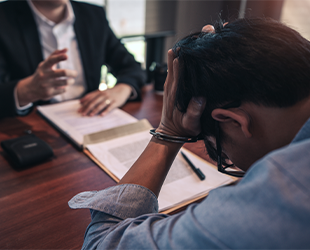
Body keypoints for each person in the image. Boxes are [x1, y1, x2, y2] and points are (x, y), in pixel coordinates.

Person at [68, 17, 310, 249]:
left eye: (217, 148)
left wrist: (168, 131)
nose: (223, 155)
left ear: (232, 121)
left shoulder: (276, 198)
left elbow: (103, 244)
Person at [0, 0, 145, 120]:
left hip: (90, 117)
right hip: (32, 128)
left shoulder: (93, 15)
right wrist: (27, 90)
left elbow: (132, 68)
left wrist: (123, 89)